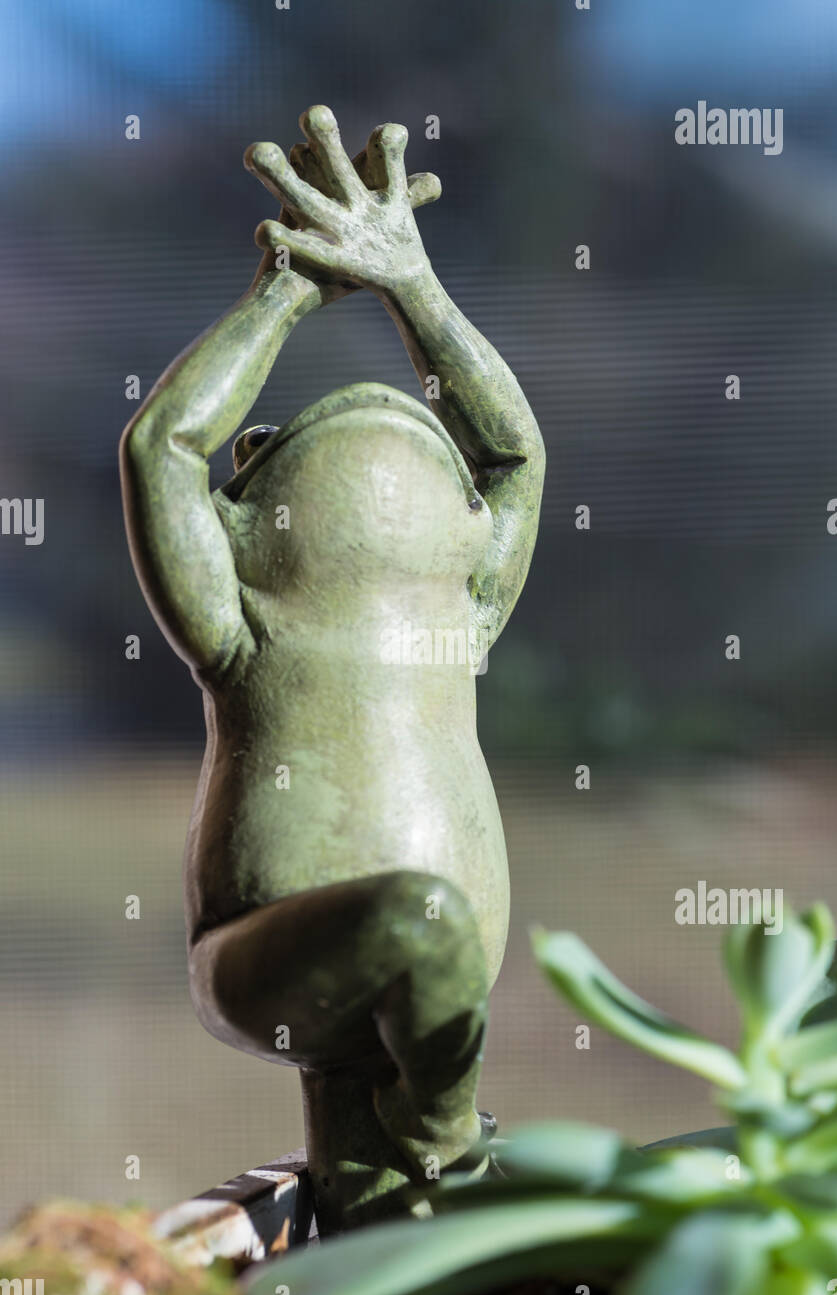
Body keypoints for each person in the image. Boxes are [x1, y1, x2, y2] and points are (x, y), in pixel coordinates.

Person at [120, 106, 545, 1231]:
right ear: (239, 517)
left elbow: (512, 452)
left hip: (424, 983)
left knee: (424, 953)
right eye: (268, 444)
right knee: (421, 929)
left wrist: (409, 276)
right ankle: (443, 1144)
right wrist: (292, 288)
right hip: (266, 965)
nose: (371, 417)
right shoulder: (240, 612)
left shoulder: (463, 607)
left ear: (456, 522)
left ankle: (401, 1175)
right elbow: (164, 446)